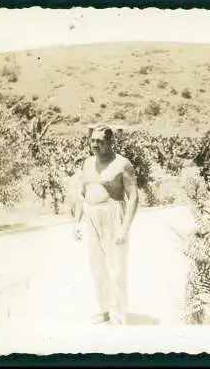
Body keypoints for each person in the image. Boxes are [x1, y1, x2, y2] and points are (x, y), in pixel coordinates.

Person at [73, 125, 139, 325]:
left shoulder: (122, 164)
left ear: (110, 142)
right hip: (91, 215)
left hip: (113, 213)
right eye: (92, 140)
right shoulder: (87, 163)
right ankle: (104, 309)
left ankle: (118, 313)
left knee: (116, 266)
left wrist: (124, 227)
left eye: (100, 141)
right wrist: (76, 221)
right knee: (97, 267)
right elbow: (82, 194)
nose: (95, 144)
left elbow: (134, 197)